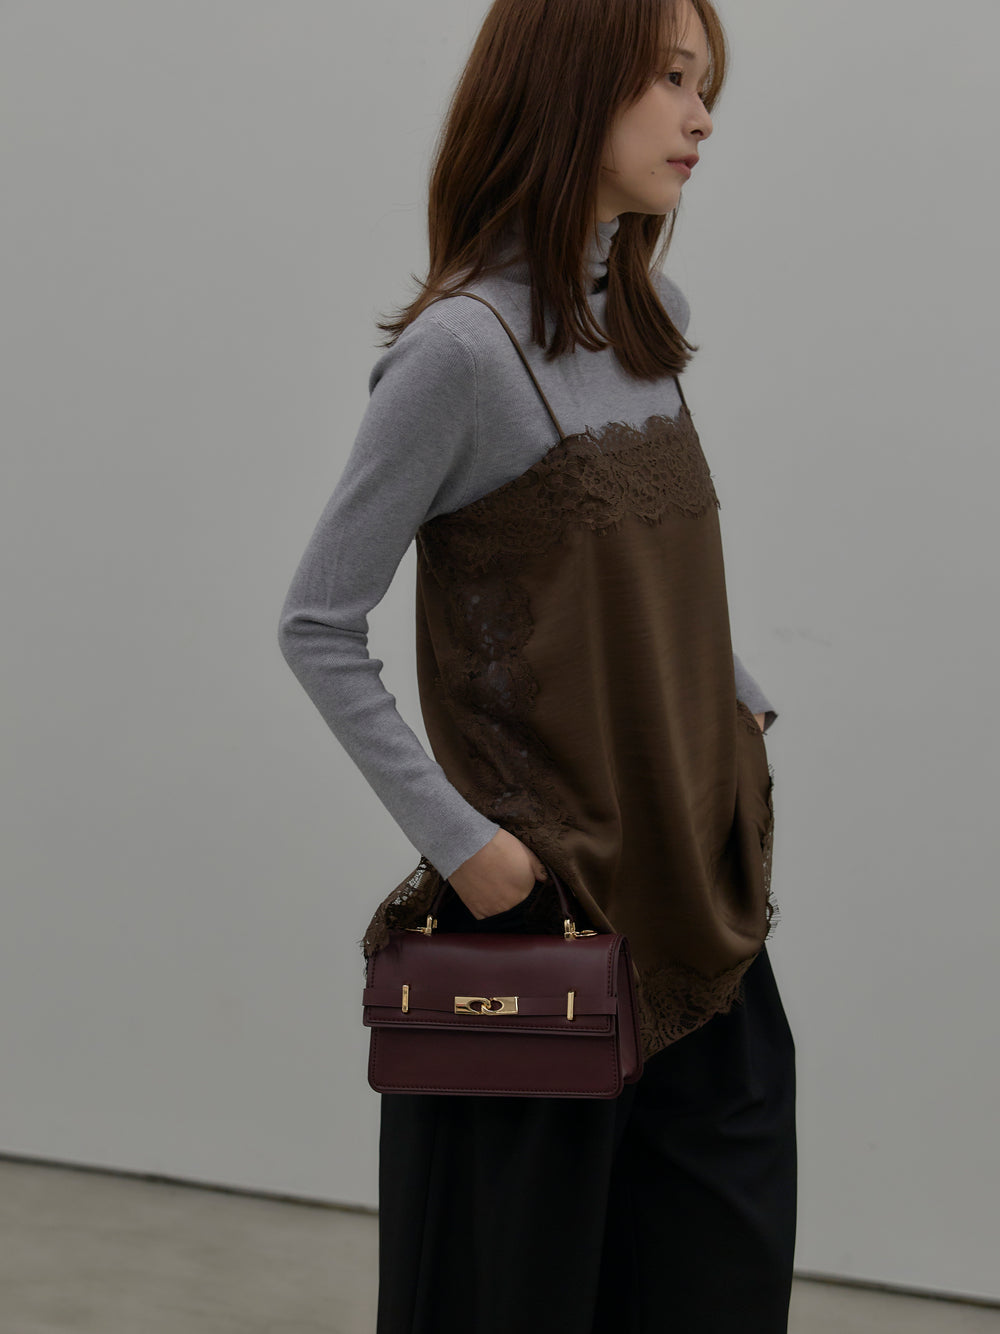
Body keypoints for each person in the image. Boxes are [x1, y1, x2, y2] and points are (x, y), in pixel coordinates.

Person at [277, 0, 797, 1328]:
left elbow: (628, 574)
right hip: (548, 944)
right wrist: (468, 849)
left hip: (704, 920)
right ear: (570, 87)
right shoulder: (462, 355)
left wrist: (730, 694)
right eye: (669, 79)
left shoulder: (650, 318)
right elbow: (318, 622)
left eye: (706, 82)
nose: (701, 115)